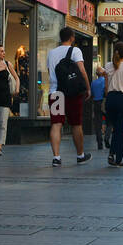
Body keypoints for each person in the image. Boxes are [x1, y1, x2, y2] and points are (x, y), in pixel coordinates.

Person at [47, 27, 91, 167]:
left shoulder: (51, 53)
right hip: (73, 93)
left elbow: (50, 71)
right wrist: (87, 87)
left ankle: (56, 157)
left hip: (55, 92)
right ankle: (80, 155)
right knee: (76, 124)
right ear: (72, 37)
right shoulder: (75, 50)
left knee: (56, 124)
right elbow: (81, 70)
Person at [103, 43, 123, 167]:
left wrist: (108, 98)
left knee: (115, 128)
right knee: (121, 131)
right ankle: (118, 159)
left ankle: (111, 153)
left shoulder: (107, 66)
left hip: (111, 99)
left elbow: (106, 87)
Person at [89, 65, 107, 150]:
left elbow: (92, 94)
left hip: (96, 103)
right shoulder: (105, 81)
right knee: (109, 121)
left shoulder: (93, 83)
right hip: (104, 103)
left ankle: (99, 143)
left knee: (98, 124)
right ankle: (107, 138)